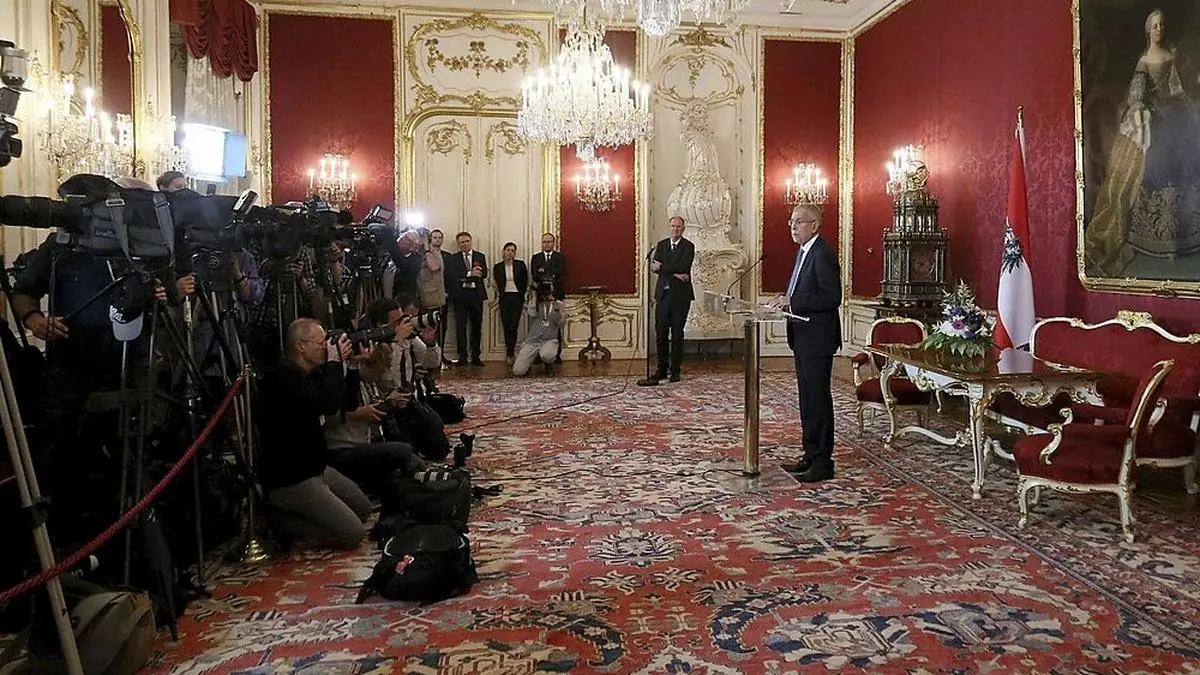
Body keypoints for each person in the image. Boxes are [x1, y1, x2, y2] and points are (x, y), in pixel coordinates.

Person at [1084, 8, 1200, 276]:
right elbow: (1136, 93)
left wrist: (1183, 106)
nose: (1159, 29)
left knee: (1186, 156)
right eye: (1155, 25)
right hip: (1152, 115)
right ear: (1148, 31)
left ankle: (1183, 233)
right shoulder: (1144, 61)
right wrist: (1141, 107)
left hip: (1173, 113)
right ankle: (1149, 234)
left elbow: (1175, 88)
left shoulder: (1169, 57)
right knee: (1150, 160)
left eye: (1161, 25)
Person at [257, 319, 371, 549]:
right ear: (300, 346)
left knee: (363, 508)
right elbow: (326, 405)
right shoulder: (280, 378)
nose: (325, 348)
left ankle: (312, 512)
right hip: (292, 478)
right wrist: (334, 364)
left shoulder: (313, 373)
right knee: (353, 533)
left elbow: (346, 405)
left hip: (317, 468)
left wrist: (351, 367)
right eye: (320, 343)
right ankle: (281, 522)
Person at [775, 203, 842, 483]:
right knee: (807, 400)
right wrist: (785, 299)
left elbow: (831, 297)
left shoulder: (822, 253)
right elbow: (803, 293)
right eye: (791, 221)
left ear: (814, 225)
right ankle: (810, 453)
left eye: (799, 222)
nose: (793, 226)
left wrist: (793, 301)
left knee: (818, 399)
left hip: (817, 339)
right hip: (803, 338)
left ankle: (823, 461)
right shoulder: (804, 252)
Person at [650, 216, 695, 382]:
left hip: (681, 298)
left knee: (677, 335)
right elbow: (655, 268)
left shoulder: (688, 246)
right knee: (661, 334)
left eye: (678, 227)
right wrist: (674, 273)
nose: (675, 229)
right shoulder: (661, 245)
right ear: (669, 227)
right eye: (673, 226)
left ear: (683, 229)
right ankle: (661, 369)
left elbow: (684, 266)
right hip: (663, 295)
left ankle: (675, 370)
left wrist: (664, 267)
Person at [445, 231, 487, 366]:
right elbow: (452, 275)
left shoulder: (480, 256)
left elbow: (484, 273)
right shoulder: (453, 258)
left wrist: (477, 273)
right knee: (460, 327)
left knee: (476, 326)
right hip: (460, 296)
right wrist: (470, 273)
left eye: (466, 241)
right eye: (462, 242)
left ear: (471, 241)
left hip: (476, 295)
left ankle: (476, 356)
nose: (464, 244)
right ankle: (462, 356)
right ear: (458, 244)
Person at [530, 232, 565, 362]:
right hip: (541, 297)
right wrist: (549, 275)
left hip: (556, 295)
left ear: (553, 243)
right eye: (544, 242)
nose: (547, 244)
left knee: (556, 324)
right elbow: (535, 275)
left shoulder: (560, 257)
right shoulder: (536, 258)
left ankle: (556, 354)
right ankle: (539, 354)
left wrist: (544, 273)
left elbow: (559, 274)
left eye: (549, 242)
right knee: (540, 325)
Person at [513, 290, 565, 377]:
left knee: (547, 355)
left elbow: (561, 324)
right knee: (518, 371)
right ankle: (528, 363)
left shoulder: (558, 304)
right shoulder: (535, 303)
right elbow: (531, 313)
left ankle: (548, 364)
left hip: (549, 340)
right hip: (532, 341)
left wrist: (557, 311)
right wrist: (534, 297)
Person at [493, 242, 528, 364]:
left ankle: (511, 351)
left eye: (513, 251)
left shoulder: (520, 265)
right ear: (503, 251)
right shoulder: (498, 267)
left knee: (514, 325)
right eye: (508, 250)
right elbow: (498, 282)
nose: (510, 253)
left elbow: (524, 281)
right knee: (506, 325)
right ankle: (509, 351)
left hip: (517, 297)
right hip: (505, 298)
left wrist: (522, 295)